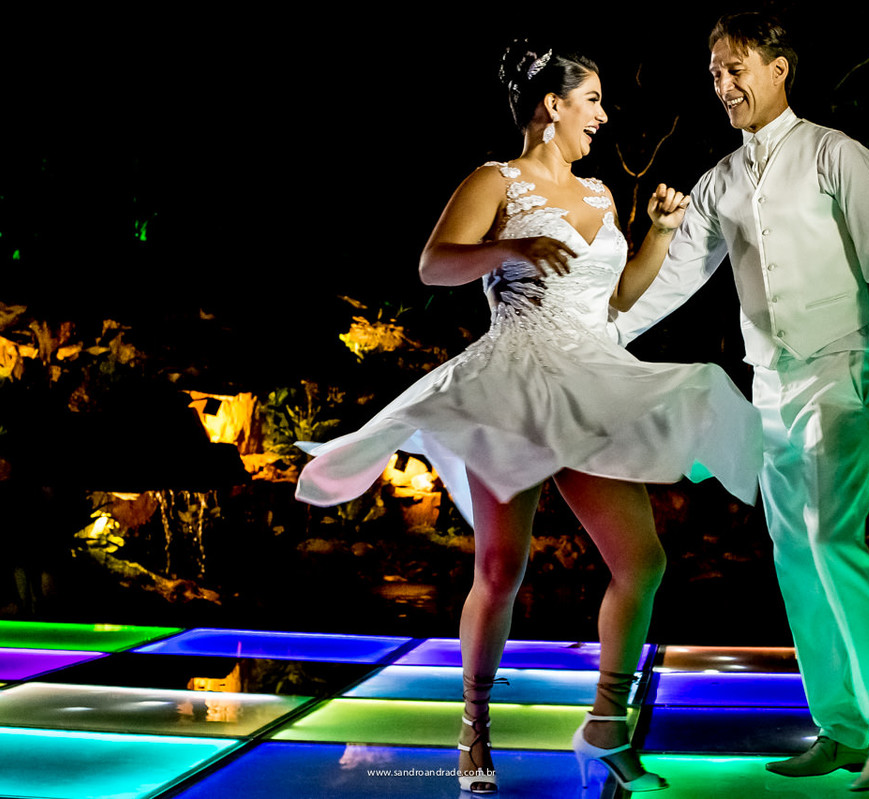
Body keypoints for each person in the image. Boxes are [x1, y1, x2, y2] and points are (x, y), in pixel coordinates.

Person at [296, 41, 762, 794]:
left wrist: (662, 233)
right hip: (513, 383)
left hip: (589, 380)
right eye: (593, 102)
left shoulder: (606, 195)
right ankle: (473, 730)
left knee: (642, 561)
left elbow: (617, 301)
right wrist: (510, 243)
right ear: (553, 106)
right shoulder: (494, 180)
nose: (604, 118)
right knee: (500, 566)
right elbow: (433, 263)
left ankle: (605, 724)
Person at [613, 12, 869, 792]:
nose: (724, 83)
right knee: (793, 555)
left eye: (737, 66)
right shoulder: (721, 179)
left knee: (832, 539)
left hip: (841, 367)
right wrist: (601, 334)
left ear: (780, 67)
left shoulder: (835, 154)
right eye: (715, 71)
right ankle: (843, 727)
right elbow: (680, 276)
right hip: (773, 384)